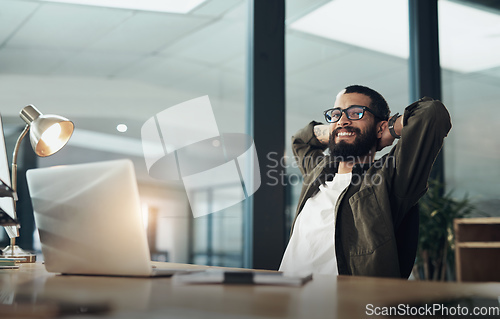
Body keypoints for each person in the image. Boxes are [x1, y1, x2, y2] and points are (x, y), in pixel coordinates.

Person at [279, 85, 451, 278]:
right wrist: (338, 129)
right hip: (286, 300)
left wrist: (390, 130)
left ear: (380, 126)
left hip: (347, 304)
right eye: (336, 114)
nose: (343, 120)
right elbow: (300, 141)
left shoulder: (390, 177)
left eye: (355, 113)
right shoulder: (318, 171)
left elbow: (432, 114)